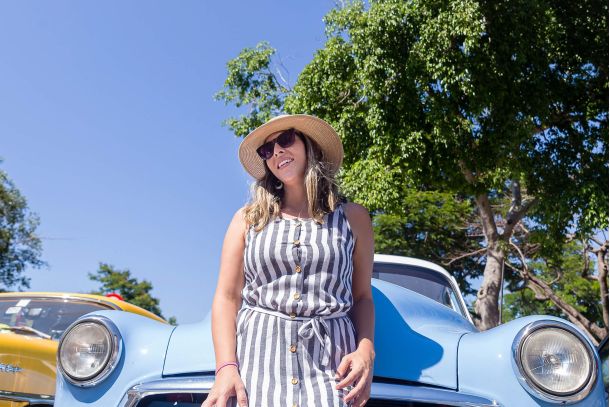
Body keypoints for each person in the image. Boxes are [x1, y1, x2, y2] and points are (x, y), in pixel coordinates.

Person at [202, 114, 375, 407]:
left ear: (310, 146)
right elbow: (227, 297)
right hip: (258, 368)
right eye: (267, 150)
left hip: (332, 369)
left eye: (285, 139)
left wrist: (366, 350)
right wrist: (226, 368)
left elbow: (361, 297)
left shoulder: (353, 218)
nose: (277, 152)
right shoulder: (247, 220)